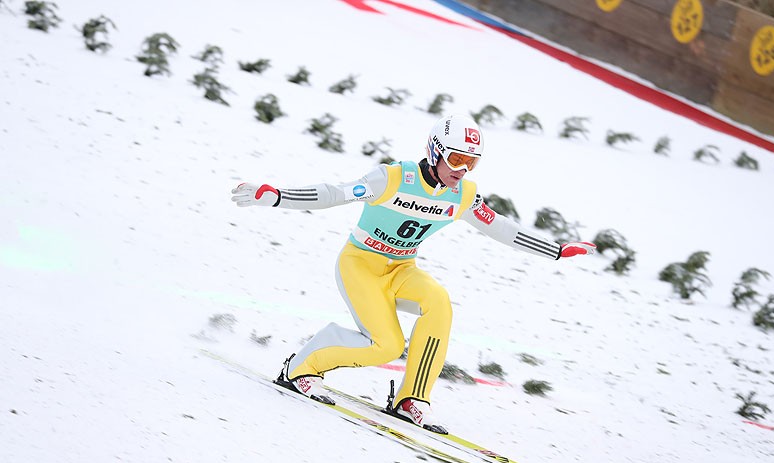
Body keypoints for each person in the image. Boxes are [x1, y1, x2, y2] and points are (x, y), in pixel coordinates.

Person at [231, 114, 595, 434]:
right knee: (386, 346)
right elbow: (334, 194)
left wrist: (557, 250)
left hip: (402, 268)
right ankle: (301, 368)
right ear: (435, 151)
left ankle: (411, 399)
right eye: (456, 159)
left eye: (471, 162)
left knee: (439, 303)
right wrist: (277, 195)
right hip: (361, 265)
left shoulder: (462, 195)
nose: (462, 170)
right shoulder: (391, 178)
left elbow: (500, 227)